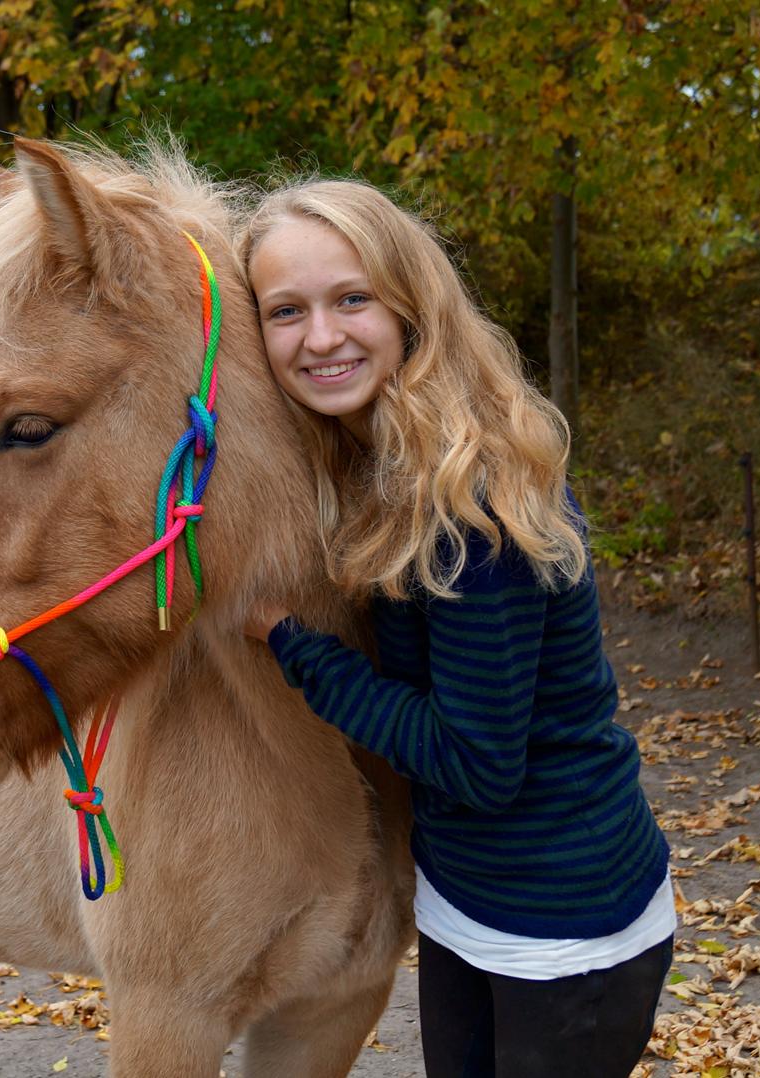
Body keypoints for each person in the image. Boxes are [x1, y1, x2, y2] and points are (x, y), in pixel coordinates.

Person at [239, 179, 674, 1078]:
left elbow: (478, 763)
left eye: (352, 298)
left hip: (564, 934)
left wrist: (294, 647)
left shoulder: (467, 505)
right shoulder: (378, 464)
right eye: (287, 310)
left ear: (411, 306)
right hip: (472, 907)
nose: (321, 336)